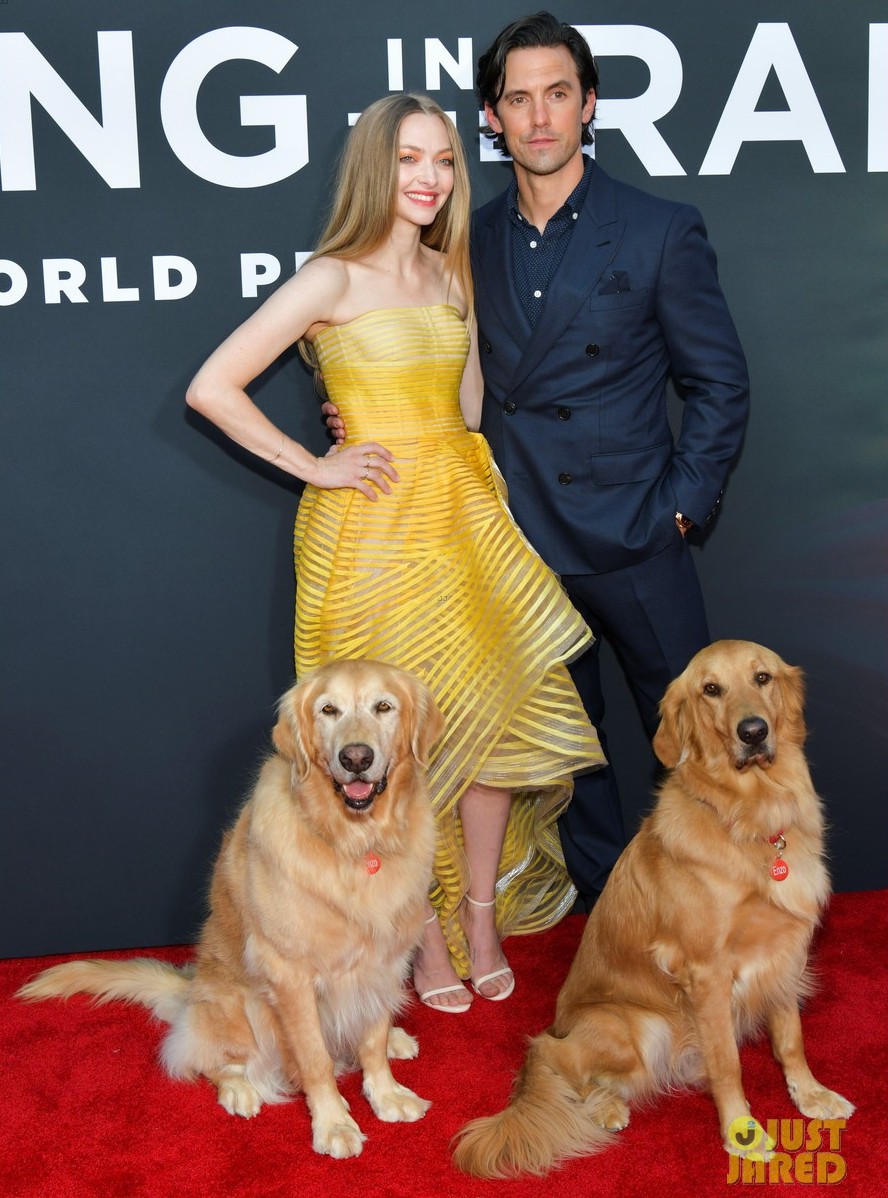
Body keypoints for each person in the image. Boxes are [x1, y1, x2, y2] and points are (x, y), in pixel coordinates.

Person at [186, 93, 604, 1014]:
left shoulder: (452, 277)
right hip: (368, 540)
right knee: (394, 747)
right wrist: (318, 463)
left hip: (463, 527)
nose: (430, 178)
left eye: (447, 161)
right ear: (377, 168)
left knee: (493, 727)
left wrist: (418, 438)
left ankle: (482, 918)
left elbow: (463, 414)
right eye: (412, 159)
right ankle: (421, 937)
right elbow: (212, 386)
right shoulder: (329, 279)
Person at [467, 12, 751, 909]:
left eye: (558, 94)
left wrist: (676, 509)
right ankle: (603, 917)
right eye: (519, 98)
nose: (540, 116)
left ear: (589, 104)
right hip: (524, 545)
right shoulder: (467, 239)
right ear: (493, 117)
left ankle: (730, 910)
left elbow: (719, 383)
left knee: (703, 744)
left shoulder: (659, 229)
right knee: (571, 753)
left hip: (635, 536)